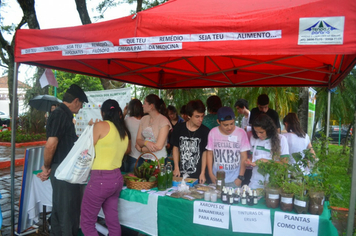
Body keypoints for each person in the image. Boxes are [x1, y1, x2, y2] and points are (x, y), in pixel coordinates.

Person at [37, 84, 88, 236]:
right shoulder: (60, 114)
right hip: (62, 169)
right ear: (76, 101)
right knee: (67, 211)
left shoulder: (65, 115)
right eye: (81, 105)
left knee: (62, 209)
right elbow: (51, 145)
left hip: (65, 168)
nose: (80, 108)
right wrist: (46, 166)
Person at [80, 99, 130, 236]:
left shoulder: (101, 126)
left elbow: (86, 148)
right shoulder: (123, 132)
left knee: (86, 223)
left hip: (100, 179)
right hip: (116, 179)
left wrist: (91, 127)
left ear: (103, 113)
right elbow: (126, 150)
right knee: (113, 222)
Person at [206, 107, 250, 187]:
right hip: (217, 178)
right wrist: (210, 174)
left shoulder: (241, 133)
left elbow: (244, 156)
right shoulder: (213, 132)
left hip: (235, 179)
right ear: (218, 122)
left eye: (232, 124)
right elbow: (209, 153)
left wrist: (240, 177)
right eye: (225, 125)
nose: (229, 127)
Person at [247, 114, 289, 190]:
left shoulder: (281, 139)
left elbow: (284, 165)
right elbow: (252, 157)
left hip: (273, 182)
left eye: (261, 132)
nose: (258, 135)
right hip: (255, 181)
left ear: (269, 129)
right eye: (256, 132)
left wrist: (266, 161)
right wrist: (249, 161)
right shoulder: (254, 139)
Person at [172, 100, 210, 183]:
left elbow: (204, 153)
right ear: (189, 116)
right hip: (180, 174)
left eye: (202, 116)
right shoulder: (179, 128)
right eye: (197, 116)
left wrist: (202, 173)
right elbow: (175, 147)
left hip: (198, 175)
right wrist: (176, 167)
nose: (200, 119)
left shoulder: (205, 131)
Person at [136, 94, 172, 161]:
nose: (142, 105)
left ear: (151, 106)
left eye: (144, 103)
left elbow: (158, 146)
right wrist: (146, 143)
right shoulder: (144, 119)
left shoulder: (164, 121)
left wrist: (141, 149)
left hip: (159, 159)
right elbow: (138, 140)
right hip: (144, 158)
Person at [122, 99, 144, 172]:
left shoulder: (128, 120)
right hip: (145, 156)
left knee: (130, 181)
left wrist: (124, 113)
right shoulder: (146, 121)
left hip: (131, 156)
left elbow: (118, 124)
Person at [235, 98, 252, 186]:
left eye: (238, 108)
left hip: (251, 142)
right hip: (244, 142)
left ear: (243, 107)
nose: (238, 111)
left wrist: (247, 129)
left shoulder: (251, 116)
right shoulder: (243, 119)